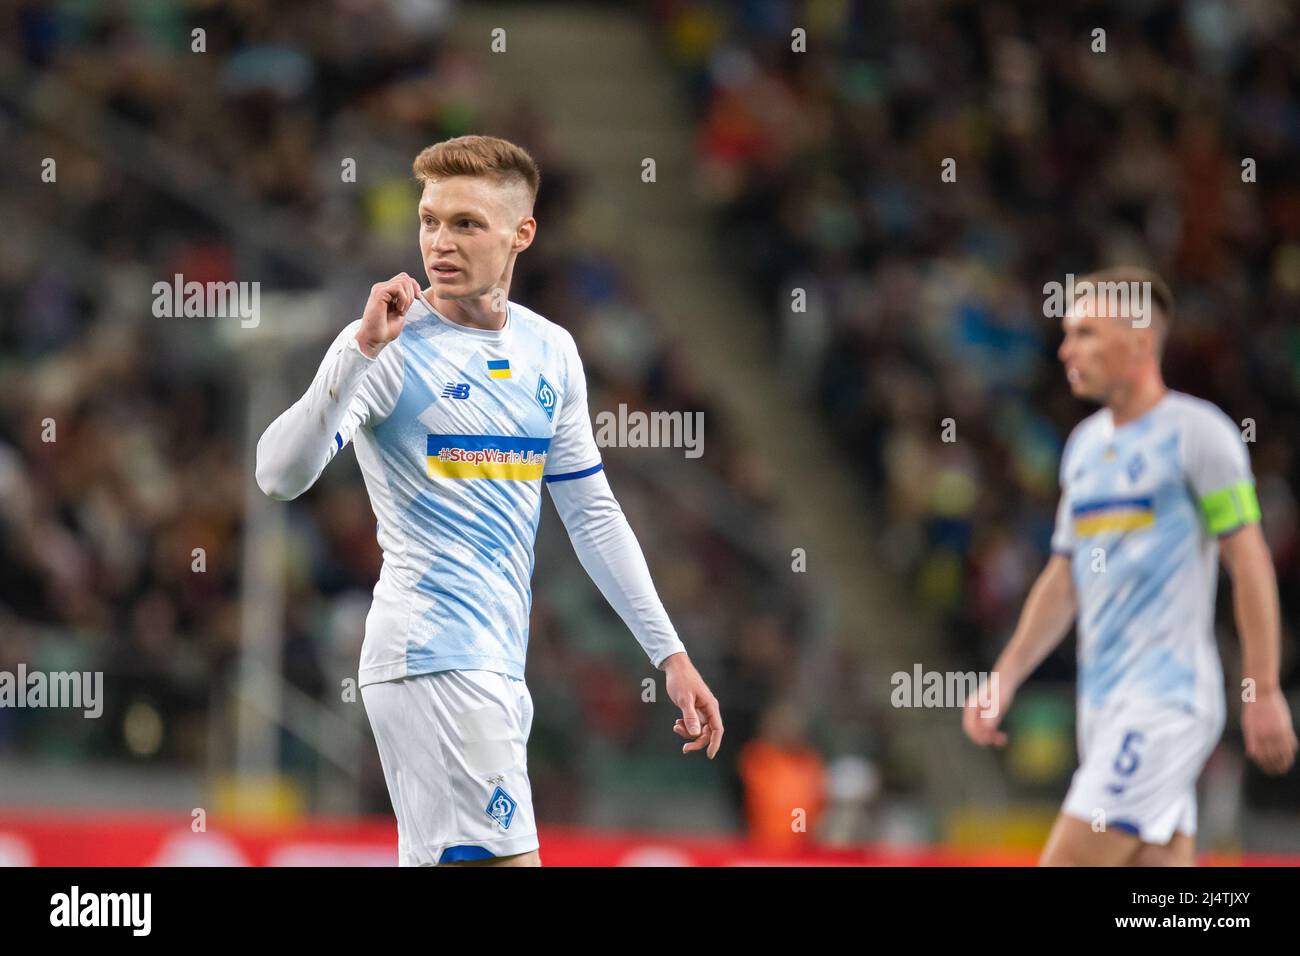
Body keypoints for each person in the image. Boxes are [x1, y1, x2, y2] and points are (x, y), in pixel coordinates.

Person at [255, 135, 723, 866]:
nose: (440, 242)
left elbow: (592, 513)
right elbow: (278, 474)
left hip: (496, 664)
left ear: (520, 233)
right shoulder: (388, 346)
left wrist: (669, 653)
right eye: (430, 220)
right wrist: (357, 354)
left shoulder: (551, 352)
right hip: (433, 655)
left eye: (466, 223)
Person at [963, 266, 1297, 865]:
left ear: (1140, 341)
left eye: (1086, 333)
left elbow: (1249, 564)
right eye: (1068, 333)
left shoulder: (1202, 436)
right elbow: (1063, 576)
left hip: (1165, 704)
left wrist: (1264, 686)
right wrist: (1006, 676)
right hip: (1103, 706)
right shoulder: (1085, 447)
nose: (1067, 349)